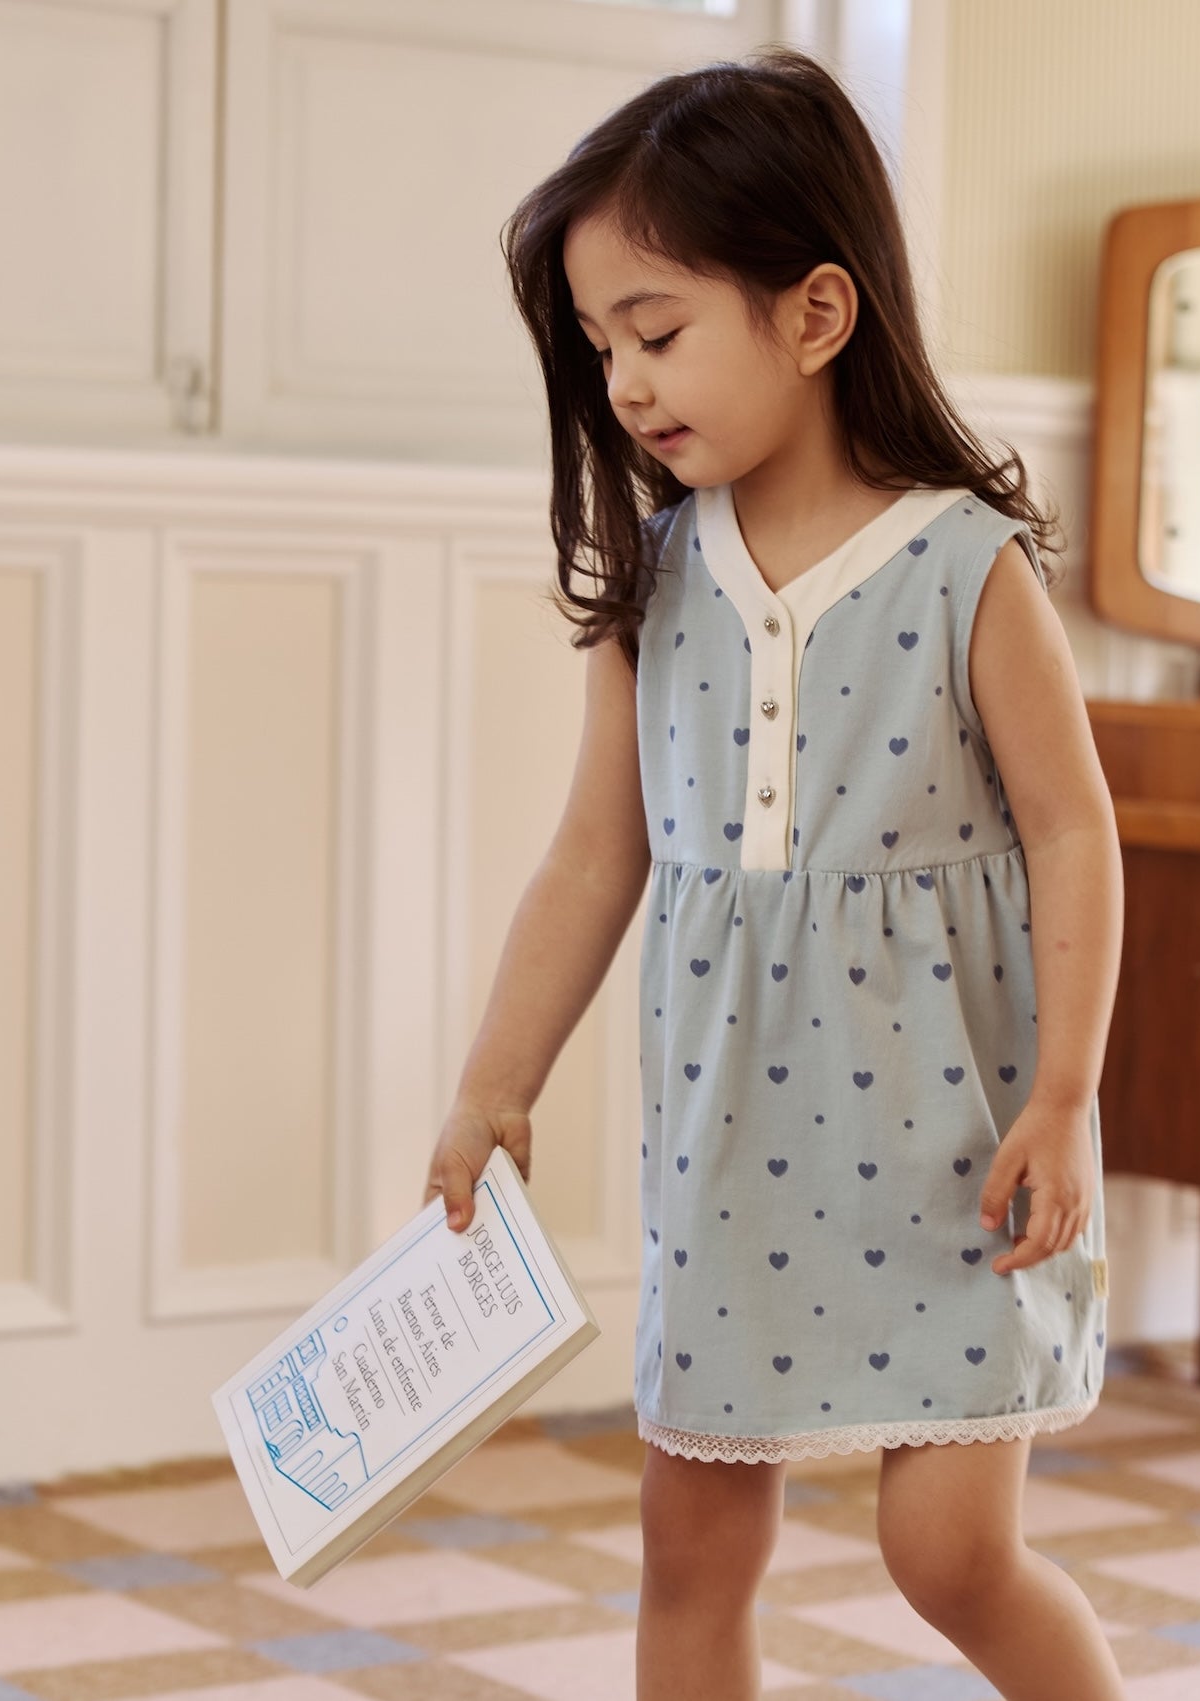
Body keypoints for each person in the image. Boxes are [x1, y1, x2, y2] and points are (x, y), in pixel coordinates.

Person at [422, 43, 1125, 1701]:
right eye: (600, 349)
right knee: (692, 1545)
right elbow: (594, 857)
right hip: (734, 1153)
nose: (627, 383)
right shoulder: (656, 583)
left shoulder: (965, 564)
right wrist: (490, 1084)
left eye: (657, 332)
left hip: (961, 1147)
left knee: (948, 1554)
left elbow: (1072, 830)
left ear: (815, 315)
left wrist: (1071, 1091)